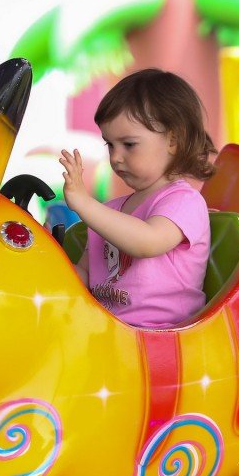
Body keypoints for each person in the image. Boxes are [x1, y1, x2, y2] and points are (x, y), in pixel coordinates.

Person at [60, 69, 216, 328]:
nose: (115, 157)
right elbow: (84, 276)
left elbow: (147, 241)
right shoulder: (110, 212)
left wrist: (84, 203)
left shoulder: (183, 201)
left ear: (173, 140)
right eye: (110, 144)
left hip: (160, 334)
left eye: (129, 144)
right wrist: (48, 260)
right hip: (109, 330)